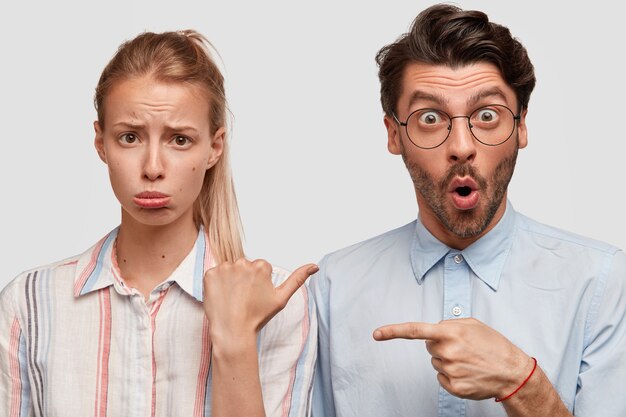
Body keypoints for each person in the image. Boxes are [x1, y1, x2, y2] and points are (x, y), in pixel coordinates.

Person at [310, 4, 626, 417]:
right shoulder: (334, 286)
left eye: (487, 115)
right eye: (430, 117)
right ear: (393, 135)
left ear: (521, 126)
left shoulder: (599, 283)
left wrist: (522, 382)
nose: (461, 145)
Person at [0, 30, 317, 417]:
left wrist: (235, 342)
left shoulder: (279, 304)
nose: (152, 168)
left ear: (215, 147)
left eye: (179, 140)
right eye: (130, 137)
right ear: (100, 143)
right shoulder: (30, 303)